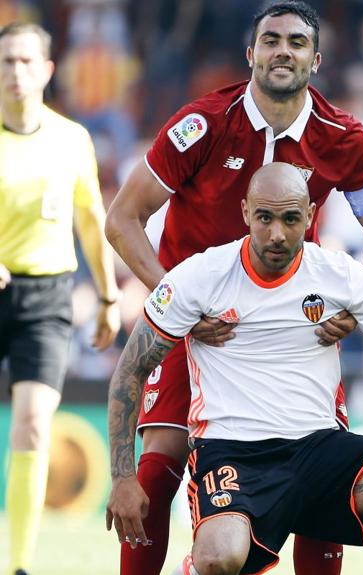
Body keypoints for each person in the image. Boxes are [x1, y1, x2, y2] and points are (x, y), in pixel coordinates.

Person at [104, 3, 363, 575]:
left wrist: (357, 301)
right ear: (251, 55)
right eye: (270, 40)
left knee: (319, 470)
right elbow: (122, 218)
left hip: (292, 327)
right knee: (160, 460)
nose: (282, 51)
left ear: (316, 59)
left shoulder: (342, 136)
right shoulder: (203, 124)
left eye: (296, 42)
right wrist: (177, 307)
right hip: (199, 328)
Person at [106, 162, 363, 575]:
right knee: (218, 558)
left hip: (319, 448)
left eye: (291, 218)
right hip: (233, 452)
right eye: (265, 217)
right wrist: (121, 475)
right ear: (245, 212)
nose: (277, 233)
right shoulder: (200, 277)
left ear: (311, 216)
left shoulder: (341, 276)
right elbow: (130, 370)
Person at [0, 22, 121, 575]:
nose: (16, 72)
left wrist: (107, 296)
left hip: (46, 297)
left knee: (32, 423)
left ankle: (19, 564)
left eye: (26, 61)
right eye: (6, 62)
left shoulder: (72, 138)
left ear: (48, 70)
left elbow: (91, 219)